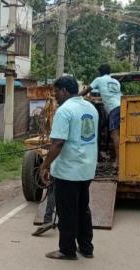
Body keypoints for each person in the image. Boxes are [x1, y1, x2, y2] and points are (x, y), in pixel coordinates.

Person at [40, 76, 98, 260]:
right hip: (87, 168)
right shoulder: (91, 108)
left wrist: (44, 165)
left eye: (56, 91)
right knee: (83, 209)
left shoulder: (64, 111)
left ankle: (67, 250)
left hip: (69, 170)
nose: (55, 95)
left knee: (67, 211)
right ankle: (87, 248)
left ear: (64, 90)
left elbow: (57, 144)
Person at [79, 64, 121, 170]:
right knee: (120, 134)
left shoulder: (98, 79)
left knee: (114, 134)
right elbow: (112, 96)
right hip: (122, 106)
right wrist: (96, 100)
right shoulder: (116, 82)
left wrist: (74, 96)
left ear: (100, 72)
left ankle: (118, 161)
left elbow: (85, 91)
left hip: (114, 110)